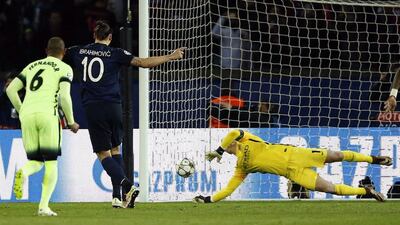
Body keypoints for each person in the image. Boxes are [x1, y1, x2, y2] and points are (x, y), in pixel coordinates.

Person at [64, 20, 185, 208]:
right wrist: (170, 56)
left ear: (93, 36)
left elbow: (59, 52)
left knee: (102, 154)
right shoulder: (116, 53)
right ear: (110, 38)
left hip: (94, 107)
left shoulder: (78, 51)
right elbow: (143, 63)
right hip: (114, 107)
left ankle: (127, 186)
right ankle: (117, 197)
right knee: (115, 149)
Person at [193, 129, 392, 203]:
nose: (228, 146)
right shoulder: (241, 168)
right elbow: (228, 190)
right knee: (329, 188)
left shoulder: (248, 140)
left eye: (228, 144)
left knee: (337, 155)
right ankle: (366, 191)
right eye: (225, 148)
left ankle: (374, 159)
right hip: (293, 172)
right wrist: (209, 199)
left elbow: (234, 132)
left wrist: (218, 149)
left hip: (297, 155)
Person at [6, 37, 79, 216]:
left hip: (28, 116)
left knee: (36, 161)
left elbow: (10, 90)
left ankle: (22, 172)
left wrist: (22, 111)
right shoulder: (64, 68)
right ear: (64, 52)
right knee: (51, 163)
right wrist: (71, 121)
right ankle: (43, 207)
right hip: (48, 115)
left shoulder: (31, 66)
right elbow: (64, 96)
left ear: (46, 50)